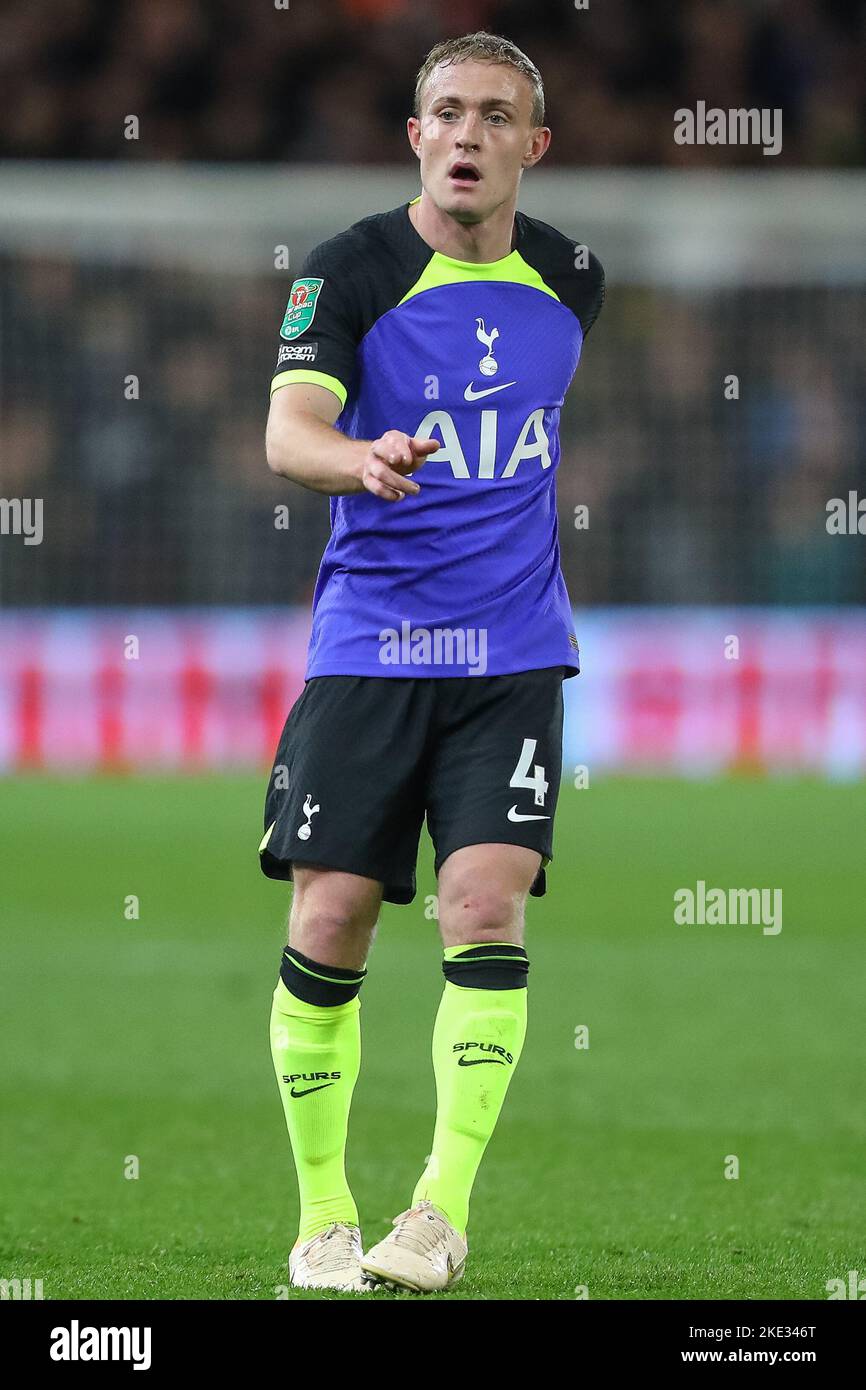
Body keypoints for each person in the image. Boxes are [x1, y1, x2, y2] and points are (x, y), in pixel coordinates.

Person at [261, 30, 604, 1294]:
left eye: (494, 116)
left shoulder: (571, 277)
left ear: (532, 144)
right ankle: (321, 1218)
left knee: (483, 909)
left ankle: (436, 1215)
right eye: (445, 112)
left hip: (512, 652)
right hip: (371, 649)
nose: (467, 134)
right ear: (415, 136)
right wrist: (362, 457)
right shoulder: (348, 269)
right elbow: (288, 431)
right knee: (331, 917)